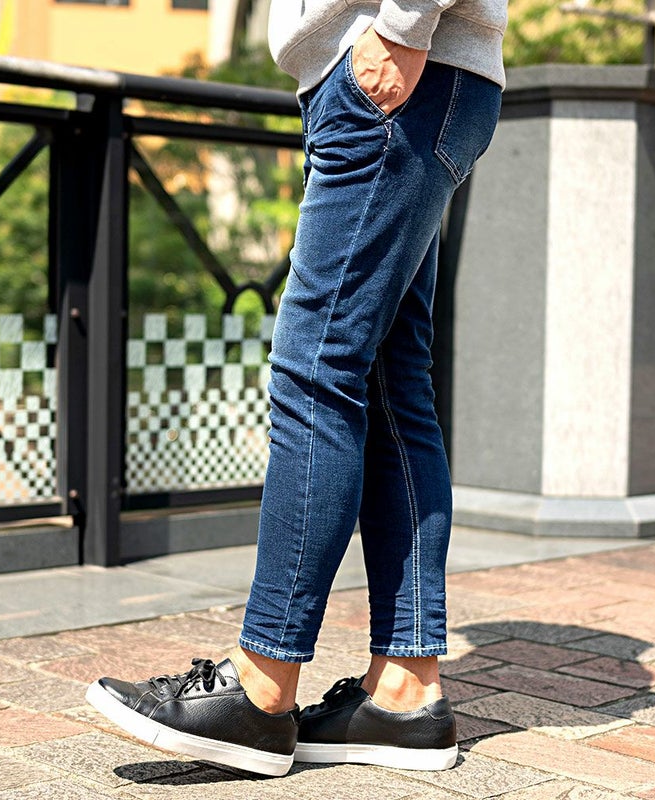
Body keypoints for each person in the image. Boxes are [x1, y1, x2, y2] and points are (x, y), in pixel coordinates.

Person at [86, 0, 506, 778]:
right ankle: (405, 693)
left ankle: (260, 689)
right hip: (423, 80)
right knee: (391, 384)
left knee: (316, 372)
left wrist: (403, 26)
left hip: (397, 72)